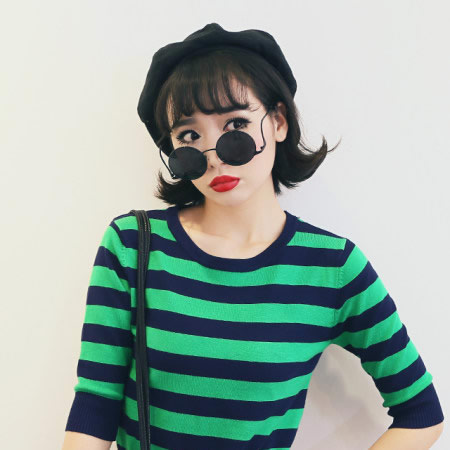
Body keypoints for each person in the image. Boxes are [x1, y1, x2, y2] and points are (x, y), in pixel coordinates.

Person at [63, 23, 444, 450]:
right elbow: (96, 401)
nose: (213, 157)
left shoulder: (332, 267)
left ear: (278, 122)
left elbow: (421, 413)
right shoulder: (132, 245)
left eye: (236, 124)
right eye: (189, 136)